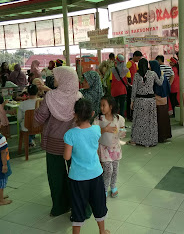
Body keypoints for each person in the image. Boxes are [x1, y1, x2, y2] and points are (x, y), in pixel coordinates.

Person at [35, 66, 81, 217]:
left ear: (63, 79)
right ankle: (79, 208)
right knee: (77, 175)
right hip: (74, 144)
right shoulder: (78, 97)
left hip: (54, 144)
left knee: (56, 176)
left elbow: (39, 119)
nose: (54, 80)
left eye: (56, 77)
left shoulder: (50, 97)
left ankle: (60, 206)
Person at [64, 99, 109, 234]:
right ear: (92, 114)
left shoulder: (70, 134)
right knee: (99, 202)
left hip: (77, 177)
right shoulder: (96, 130)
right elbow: (94, 149)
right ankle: (102, 231)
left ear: (74, 115)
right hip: (96, 174)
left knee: (78, 206)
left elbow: (66, 157)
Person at [93, 96, 125, 198]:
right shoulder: (98, 119)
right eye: (100, 105)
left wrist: (121, 132)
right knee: (108, 170)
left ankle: (113, 185)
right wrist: (104, 129)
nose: (101, 108)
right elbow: (93, 133)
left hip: (115, 148)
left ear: (110, 107)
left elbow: (122, 131)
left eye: (104, 105)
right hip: (104, 148)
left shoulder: (118, 118)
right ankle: (104, 188)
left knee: (115, 169)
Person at [129, 58, 164, 147]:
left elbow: (134, 90)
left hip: (139, 101)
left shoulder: (136, 75)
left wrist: (132, 102)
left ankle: (138, 140)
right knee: (150, 121)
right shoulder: (153, 74)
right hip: (150, 101)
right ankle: (149, 141)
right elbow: (159, 83)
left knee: (139, 121)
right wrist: (162, 75)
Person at [149, 60, 172, 143]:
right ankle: (165, 135)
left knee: (158, 119)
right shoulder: (163, 75)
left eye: (150, 66)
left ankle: (159, 136)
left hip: (156, 99)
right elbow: (168, 87)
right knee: (164, 118)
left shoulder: (153, 76)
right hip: (164, 99)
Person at [126, 51, 142, 121]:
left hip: (134, 85)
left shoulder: (135, 65)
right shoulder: (130, 63)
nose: (138, 59)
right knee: (130, 101)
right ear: (134, 56)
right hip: (130, 85)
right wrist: (127, 82)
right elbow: (124, 71)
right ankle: (129, 116)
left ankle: (133, 115)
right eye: (138, 58)